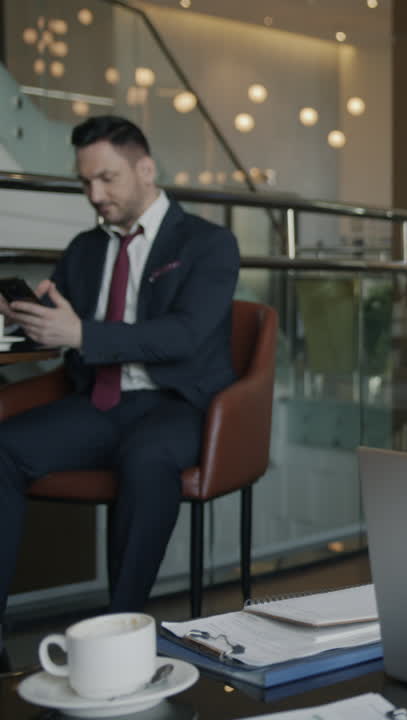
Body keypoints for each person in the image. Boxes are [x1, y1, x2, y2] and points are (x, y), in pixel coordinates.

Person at [0, 116, 240, 648]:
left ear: (146, 168)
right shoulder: (86, 248)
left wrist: (81, 332)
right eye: (85, 182)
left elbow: (184, 335)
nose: (95, 193)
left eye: (107, 178)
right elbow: (63, 322)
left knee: (146, 457)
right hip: (100, 401)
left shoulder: (208, 243)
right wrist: (25, 318)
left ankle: (120, 629)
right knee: (2, 449)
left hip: (180, 402)